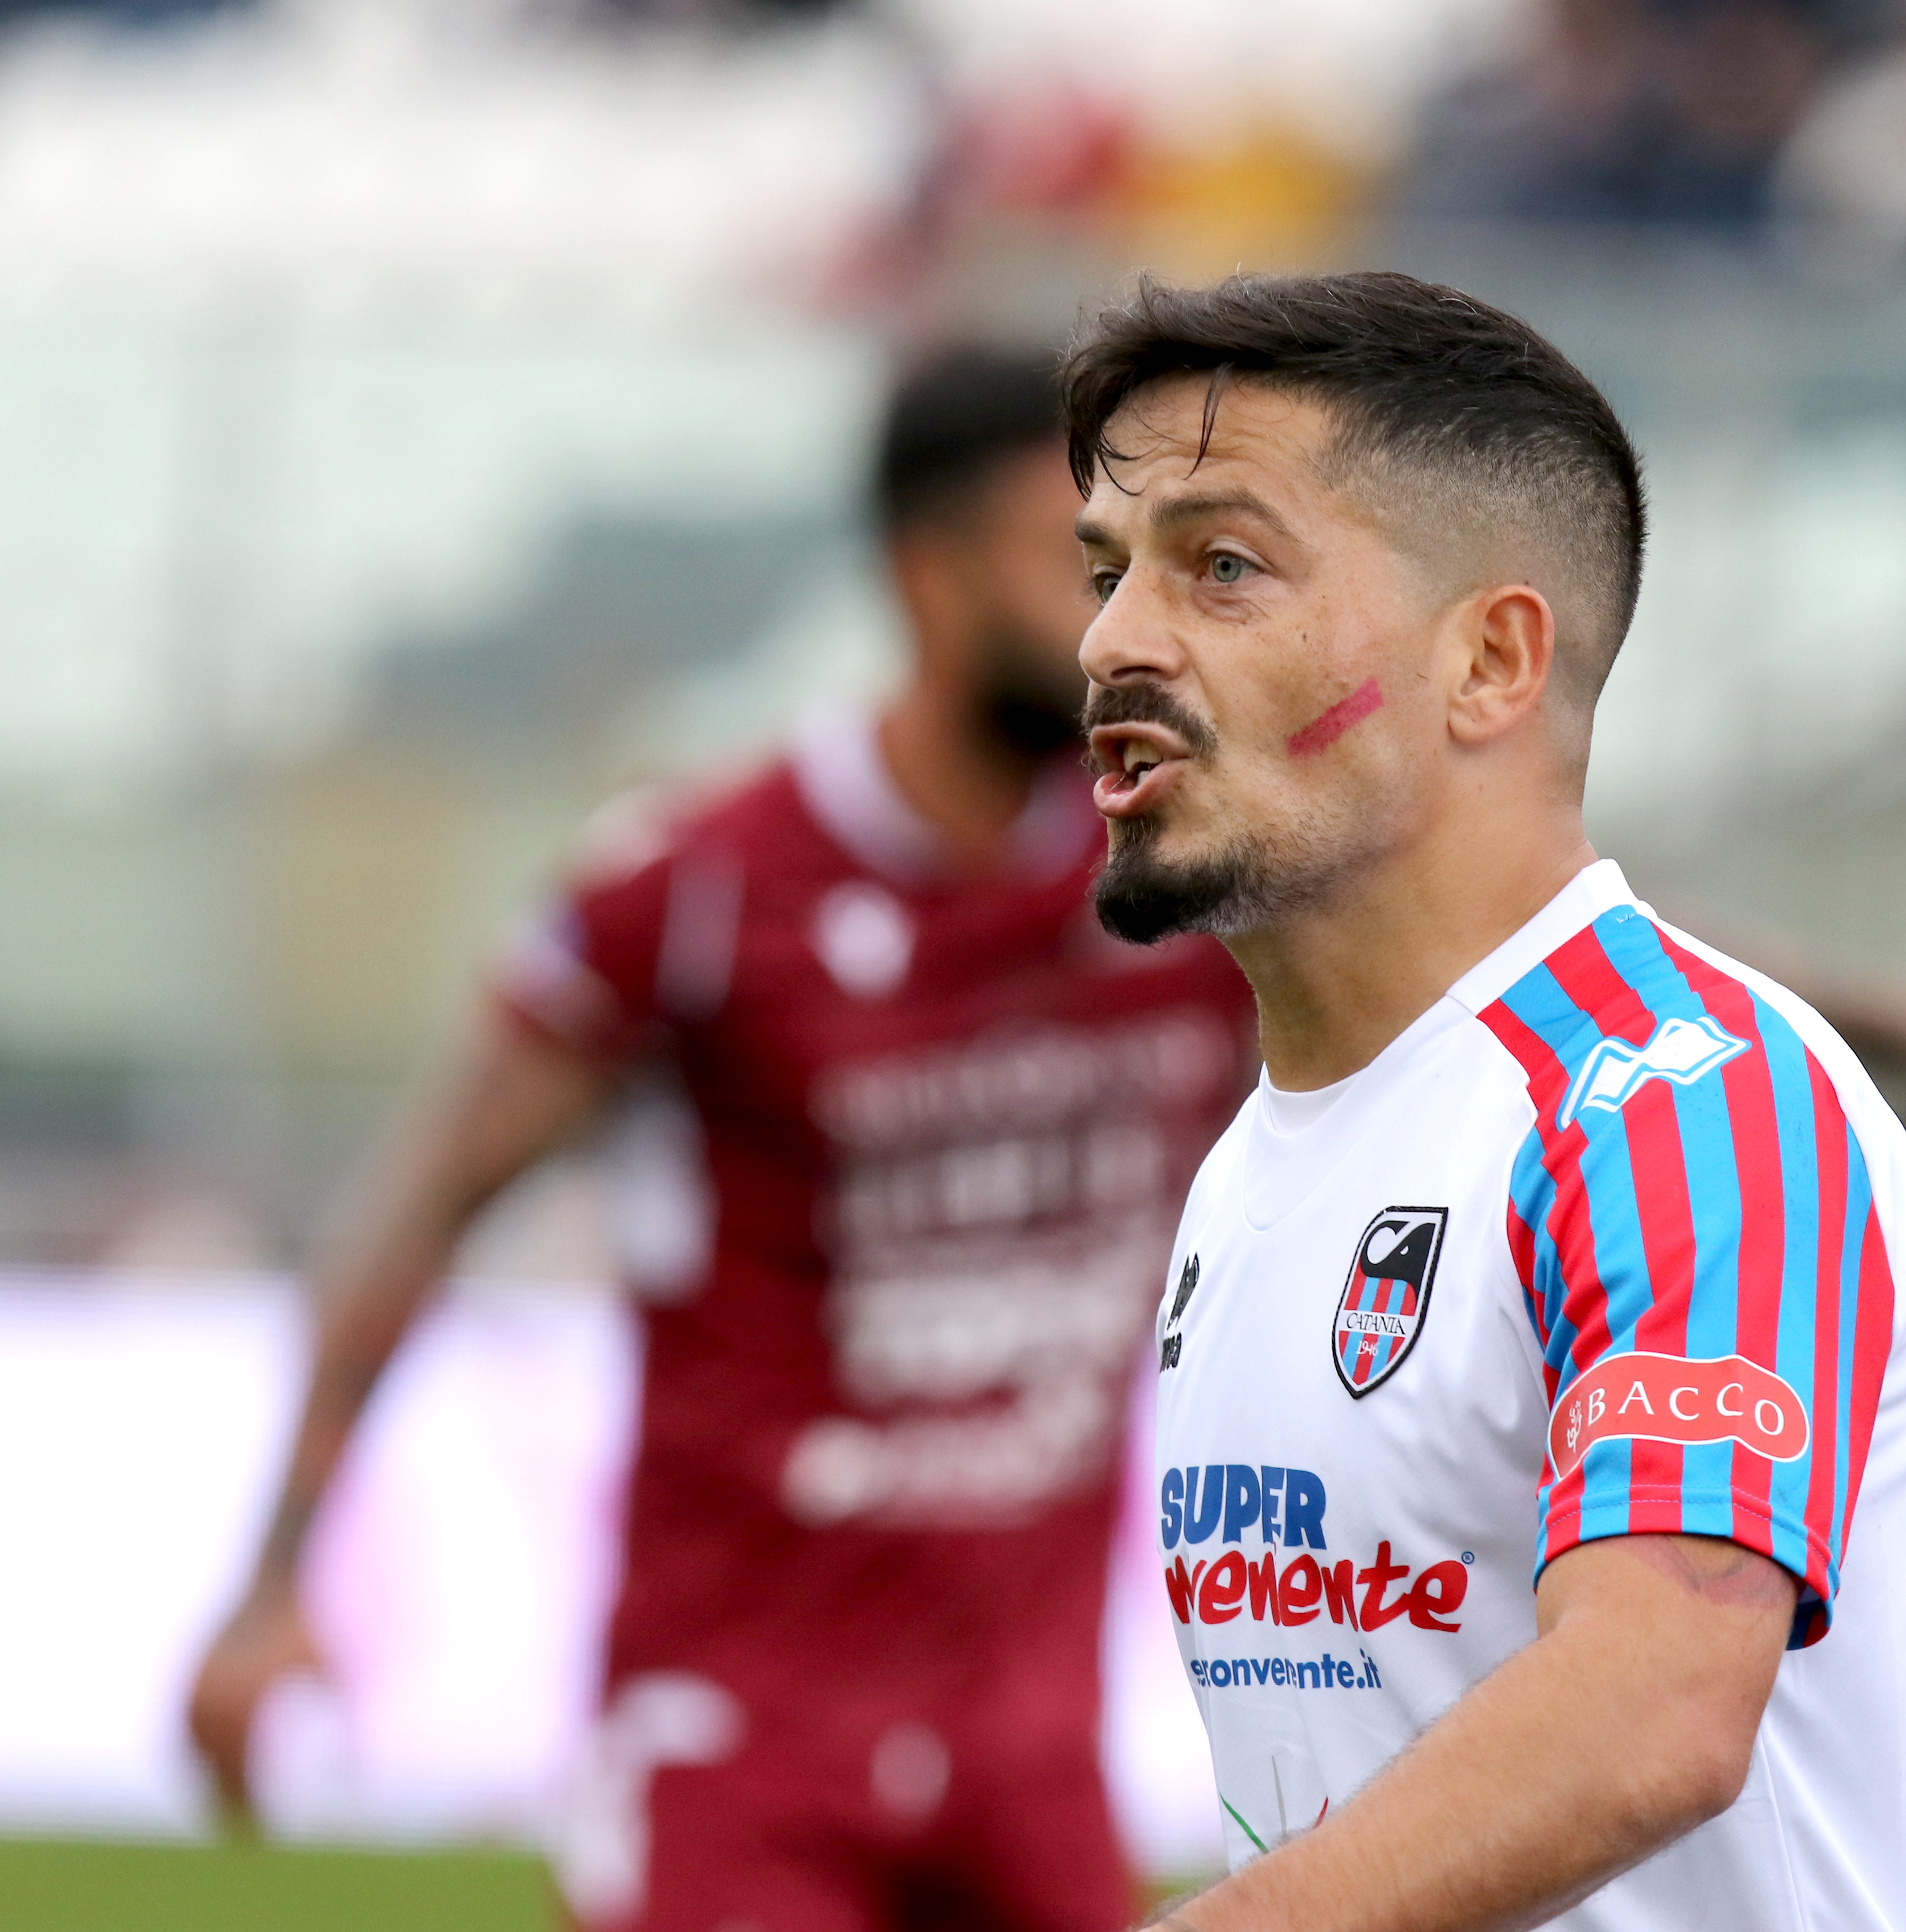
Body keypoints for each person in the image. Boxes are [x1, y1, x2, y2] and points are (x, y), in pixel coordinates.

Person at [188, 345, 1257, 1932]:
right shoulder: (690, 896)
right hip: (739, 1749)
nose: (1126, 630)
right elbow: (424, 1203)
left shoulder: (1189, 885)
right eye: (1077, 567)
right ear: (931, 577)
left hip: (1033, 1750)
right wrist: (276, 1584)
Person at [1067, 272, 1906, 1928]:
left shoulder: (1682, 1106)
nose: (1112, 642)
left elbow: (1653, 1710)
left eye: (1221, 567)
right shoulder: (1257, 1168)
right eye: (1109, 570)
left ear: (1493, 660)